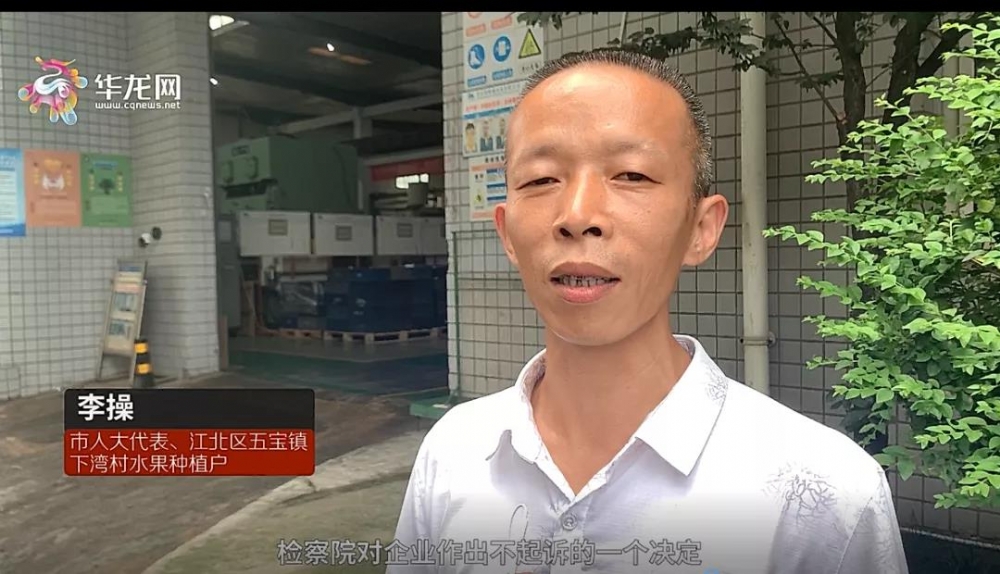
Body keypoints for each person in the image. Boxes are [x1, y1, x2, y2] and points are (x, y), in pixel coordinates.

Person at [390, 48, 909, 574]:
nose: (577, 215)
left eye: (631, 175)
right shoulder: (452, 452)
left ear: (701, 228)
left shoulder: (823, 498)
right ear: (506, 233)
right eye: (542, 179)